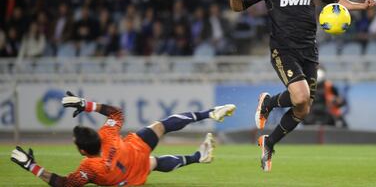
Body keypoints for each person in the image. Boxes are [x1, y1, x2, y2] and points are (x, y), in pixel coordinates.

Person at [227, 0, 376, 172]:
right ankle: (268, 102)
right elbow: (240, 6)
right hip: (283, 50)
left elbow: (337, 0)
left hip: (309, 51)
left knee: (303, 108)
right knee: (300, 96)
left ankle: (269, 142)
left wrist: (363, 5)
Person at [10, 91, 236, 186]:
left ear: (81, 150)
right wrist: (85, 104)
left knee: (153, 164)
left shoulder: (89, 167)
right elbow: (116, 113)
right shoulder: (106, 134)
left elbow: (64, 183)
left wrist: (31, 166)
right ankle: (209, 113)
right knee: (161, 126)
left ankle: (200, 156)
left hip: (128, 177)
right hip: (133, 151)